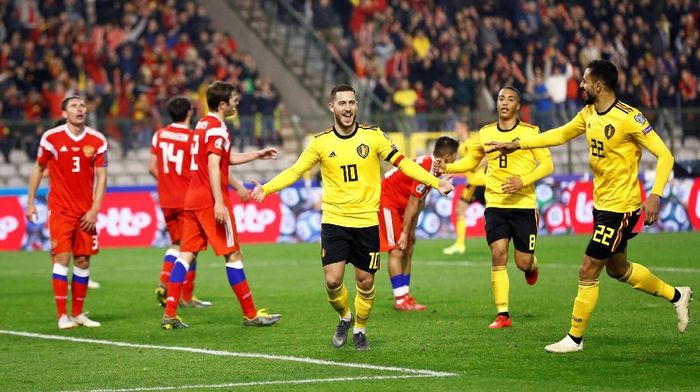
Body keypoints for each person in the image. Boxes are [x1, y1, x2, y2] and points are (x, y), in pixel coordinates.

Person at [487, 60, 693, 352]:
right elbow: (559, 134)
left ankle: (574, 338)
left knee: (588, 269)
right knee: (618, 270)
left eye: (584, 81)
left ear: (598, 85)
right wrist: (518, 144)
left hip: (621, 209)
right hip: (602, 206)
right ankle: (677, 295)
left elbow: (665, 156)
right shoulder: (588, 113)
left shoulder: (629, 118)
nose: (580, 85)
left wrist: (655, 195)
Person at [251, 84, 454, 350]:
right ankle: (345, 317)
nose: (347, 108)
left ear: (356, 106)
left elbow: (404, 163)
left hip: (367, 221)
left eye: (351, 103)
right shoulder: (321, 142)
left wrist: (436, 183)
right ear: (331, 107)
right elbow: (296, 170)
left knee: (365, 281)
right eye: (342, 103)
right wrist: (266, 188)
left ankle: (360, 329)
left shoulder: (373, 137)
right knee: (333, 280)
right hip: (335, 220)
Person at [160, 81, 281, 330]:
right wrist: (218, 202)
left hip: (192, 198)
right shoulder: (217, 129)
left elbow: (224, 160)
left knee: (186, 254)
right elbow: (215, 166)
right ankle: (250, 314)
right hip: (208, 200)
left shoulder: (202, 125)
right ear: (222, 104)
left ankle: (170, 313)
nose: (238, 102)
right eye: (234, 99)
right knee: (233, 254)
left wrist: (256, 154)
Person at [436, 86, 553, 329]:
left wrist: (523, 181)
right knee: (498, 253)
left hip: (523, 205)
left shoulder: (531, 132)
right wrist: (448, 168)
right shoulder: (486, 132)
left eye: (510, 99)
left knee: (522, 262)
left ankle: (532, 266)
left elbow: (547, 165)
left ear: (518, 106)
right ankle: (503, 314)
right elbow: (472, 161)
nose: (504, 102)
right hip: (496, 204)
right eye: (501, 98)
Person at [26, 95, 108, 329]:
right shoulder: (51, 138)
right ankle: (62, 315)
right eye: (73, 106)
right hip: (61, 210)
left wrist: (94, 209)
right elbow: (39, 168)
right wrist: (31, 201)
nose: (79, 109)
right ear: (64, 113)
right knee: (62, 258)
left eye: (82, 105)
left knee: (83, 261)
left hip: (86, 212)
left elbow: (102, 177)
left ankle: (78, 313)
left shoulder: (97, 139)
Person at [380, 136, 459, 311]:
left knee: (408, 246)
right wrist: (404, 233)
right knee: (397, 249)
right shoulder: (428, 169)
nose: (455, 160)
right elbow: (413, 203)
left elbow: (419, 201)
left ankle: (405, 297)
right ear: (448, 156)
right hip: (387, 200)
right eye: (455, 156)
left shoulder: (434, 169)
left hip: (403, 204)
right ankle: (400, 300)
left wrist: (411, 230)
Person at [150, 96, 212, 308]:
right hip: (188, 199)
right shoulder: (193, 138)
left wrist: (168, 183)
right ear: (189, 113)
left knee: (177, 244)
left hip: (166, 199)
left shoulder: (159, 135)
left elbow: (152, 168)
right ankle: (185, 295)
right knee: (190, 248)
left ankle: (164, 282)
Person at [443, 122, 487, 256]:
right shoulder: (463, 145)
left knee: (460, 208)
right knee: (494, 211)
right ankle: (459, 244)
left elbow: (485, 157)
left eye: (457, 126)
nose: (455, 129)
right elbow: (464, 164)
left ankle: (460, 244)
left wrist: (476, 166)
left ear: (464, 127)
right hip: (476, 183)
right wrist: (450, 173)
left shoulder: (470, 143)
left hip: (477, 183)